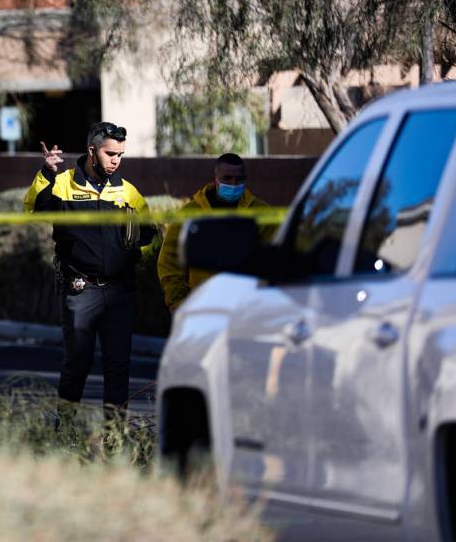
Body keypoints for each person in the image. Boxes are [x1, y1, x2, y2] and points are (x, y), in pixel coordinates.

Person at [24, 122, 155, 417]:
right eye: (110, 154)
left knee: (118, 367)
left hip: (120, 291)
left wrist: (136, 263)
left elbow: (149, 236)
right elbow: (32, 212)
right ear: (92, 151)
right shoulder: (63, 183)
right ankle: (66, 431)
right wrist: (47, 173)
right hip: (81, 289)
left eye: (120, 155)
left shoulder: (127, 191)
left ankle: (115, 437)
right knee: (77, 364)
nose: (116, 161)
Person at [157, 152, 273, 312]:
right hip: (202, 308)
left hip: (248, 309)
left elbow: (274, 259)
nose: (233, 184)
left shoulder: (261, 212)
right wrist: (177, 301)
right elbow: (170, 258)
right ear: (215, 179)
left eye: (239, 179)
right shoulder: (190, 213)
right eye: (227, 178)